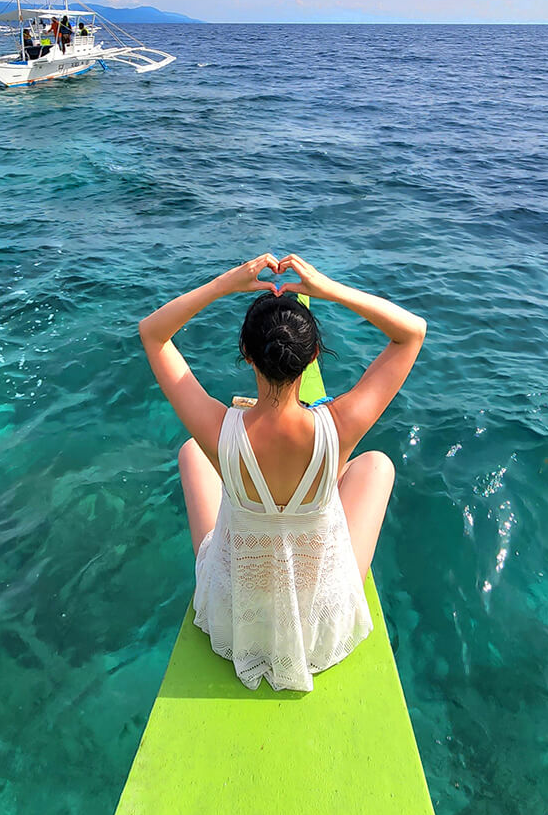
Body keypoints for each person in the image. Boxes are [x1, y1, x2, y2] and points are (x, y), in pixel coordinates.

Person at [138, 252, 426, 692]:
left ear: (246, 356)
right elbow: (411, 334)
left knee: (193, 454)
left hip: (236, 620)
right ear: (312, 358)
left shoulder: (219, 432)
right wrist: (328, 288)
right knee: (375, 465)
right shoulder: (341, 426)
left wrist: (224, 285)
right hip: (318, 625)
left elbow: (153, 335)